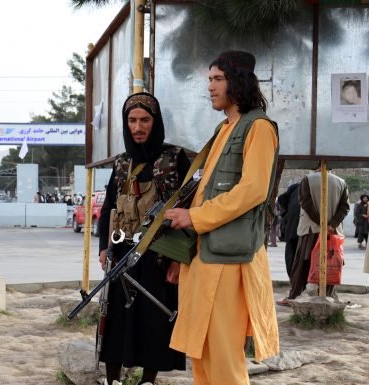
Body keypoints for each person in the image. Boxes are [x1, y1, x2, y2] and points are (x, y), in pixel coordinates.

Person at [164, 51, 280, 385]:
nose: (210, 88)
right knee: (202, 353)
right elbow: (205, 193)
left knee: (225, 359)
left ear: (238, 81)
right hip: (206, 256)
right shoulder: (224, 129)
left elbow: (253, 190)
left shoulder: (258, 128)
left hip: (231, 259)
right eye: (209, 80)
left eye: (217, 79)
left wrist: (194, 218)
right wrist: (181, 255)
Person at [97, 92, 188, 385]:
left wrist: (178, 260)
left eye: (145, 120)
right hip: (122, 254)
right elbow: (109, 206)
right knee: (115, 321)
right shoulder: (122, 163)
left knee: (154, 320)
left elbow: (189, 211)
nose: (138, 126)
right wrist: (103, 248)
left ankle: (148, 379)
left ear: (155, 121)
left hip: (159, 256)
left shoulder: (175, 158)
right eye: (132, 120)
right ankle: (113, 380)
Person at [281, 168, 349, 303]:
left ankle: (293, 296)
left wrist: (321, 223)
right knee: (332, 263)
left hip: (310, 229)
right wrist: (331, 225)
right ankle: (328, 296)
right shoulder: (341, 182)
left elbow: (305, 203)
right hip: (333, 231)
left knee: (301, 264)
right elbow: (345, 207)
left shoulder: (307, 180)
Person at [278, 182, 301, 278]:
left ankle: (293, 277)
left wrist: (285, 213)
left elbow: (281, 198)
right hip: (301, 227)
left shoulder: (295, 187)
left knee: (291, 253)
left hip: (292, 226)